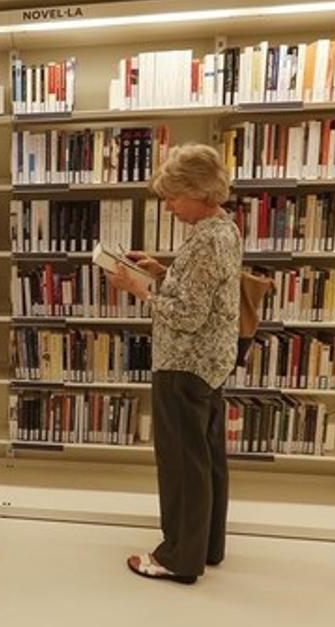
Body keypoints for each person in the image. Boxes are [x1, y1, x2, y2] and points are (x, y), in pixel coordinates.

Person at [104, 143, 241, 585]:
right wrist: (162, 271)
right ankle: (207, 545)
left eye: (175, 196)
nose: (169, 205)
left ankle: (178, 558)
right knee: (206, 459)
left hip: (185, 363)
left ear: (200, 192)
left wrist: (139, 289)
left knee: (182, 463)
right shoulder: (223, 229)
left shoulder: (205, 241)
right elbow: (203, 291)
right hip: (212, 362)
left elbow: (186, 315)